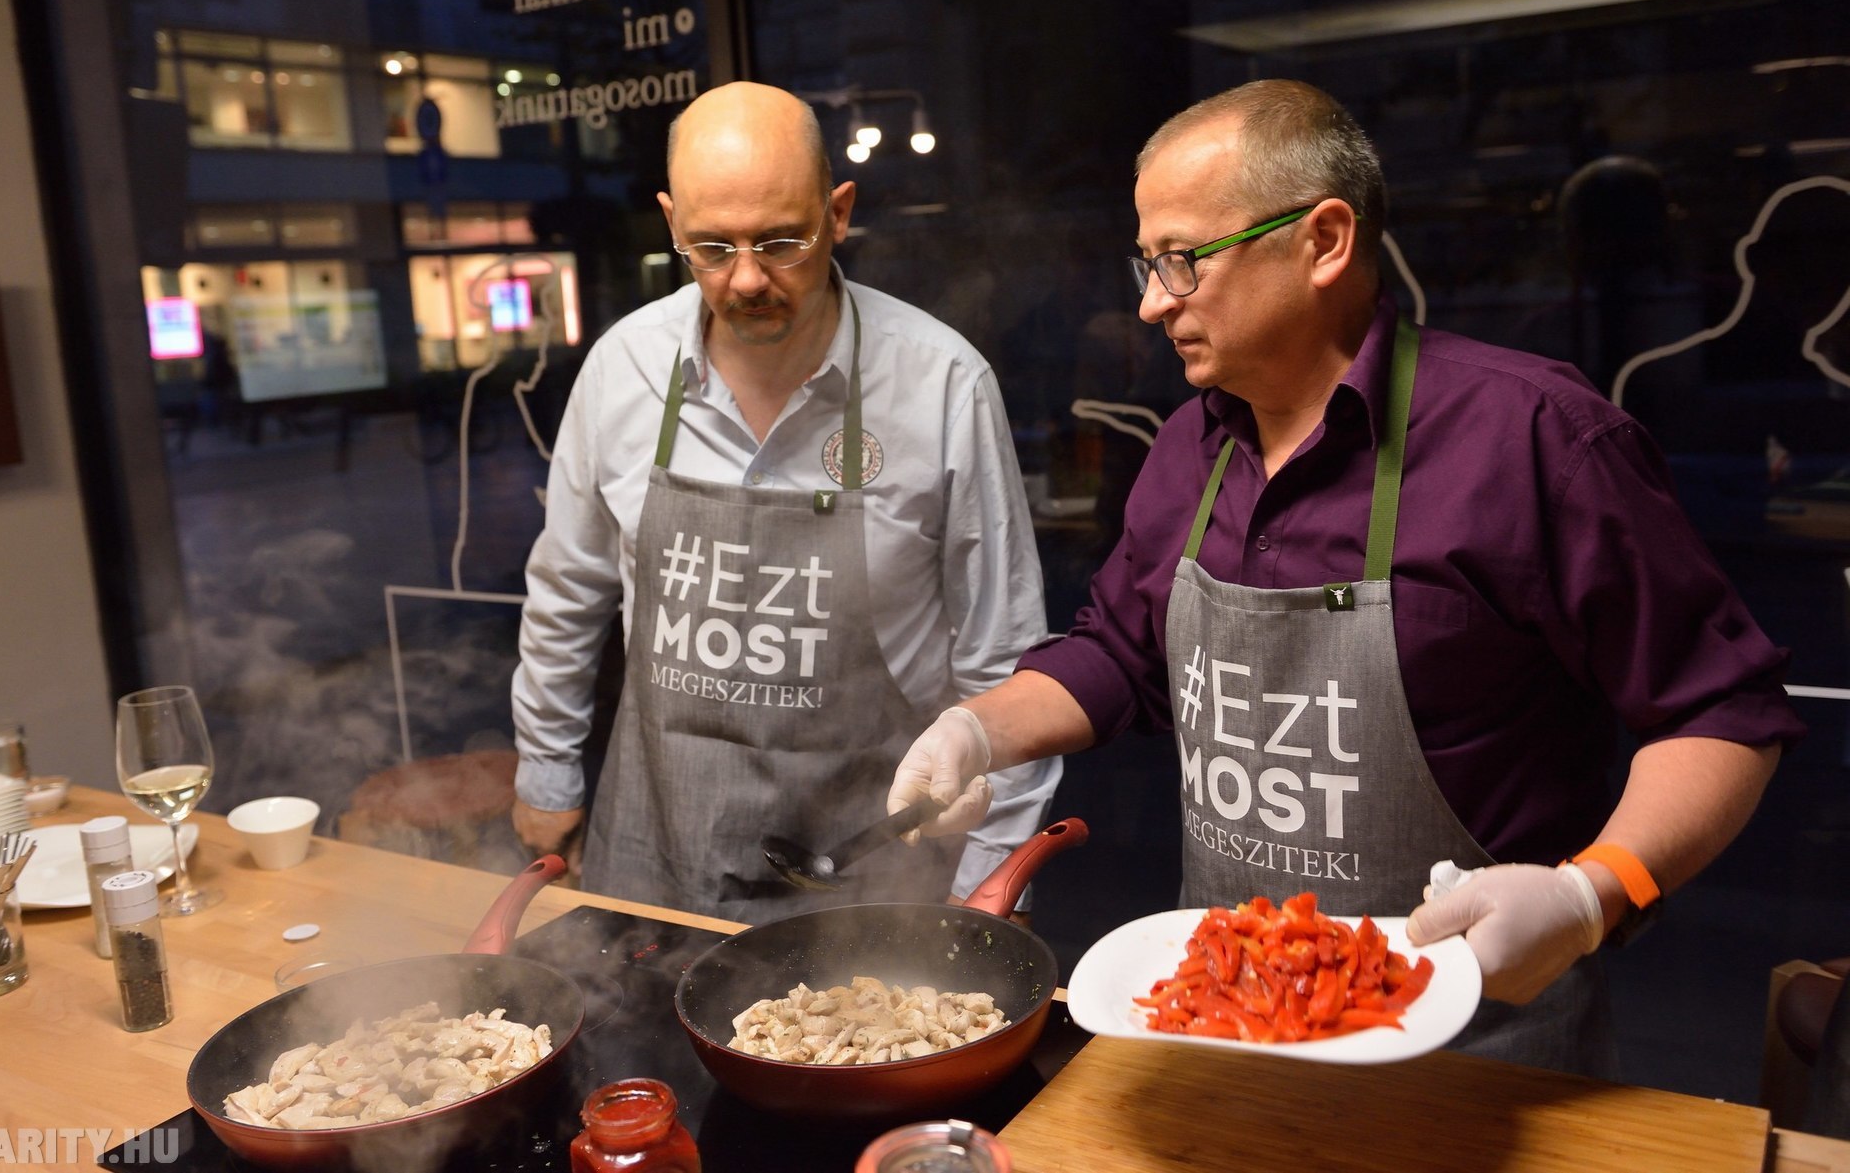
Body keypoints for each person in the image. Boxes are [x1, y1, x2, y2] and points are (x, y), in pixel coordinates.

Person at [885, 79, 1802, 1074]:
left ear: (1322, 241)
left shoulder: (1534, 438)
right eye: (1146, 264)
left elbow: (1723, 713)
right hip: (1224, 1035)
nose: (1151, 302)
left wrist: (1593, 893)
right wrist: (974, 731)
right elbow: (1117, 654)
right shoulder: (1189, 450)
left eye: (1183, 260)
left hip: (1480, 1065)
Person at [510, 81, 1059, 925]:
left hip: (872, 870)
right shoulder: (624, 370)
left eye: (780, 241)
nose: (746, 278)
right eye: (711, 247)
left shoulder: (941, 385)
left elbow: (1004, 656)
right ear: (671, 225)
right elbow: (567, 591)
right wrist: (548, 773)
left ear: (838, 214)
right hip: (658, 856)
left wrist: (995, 873)